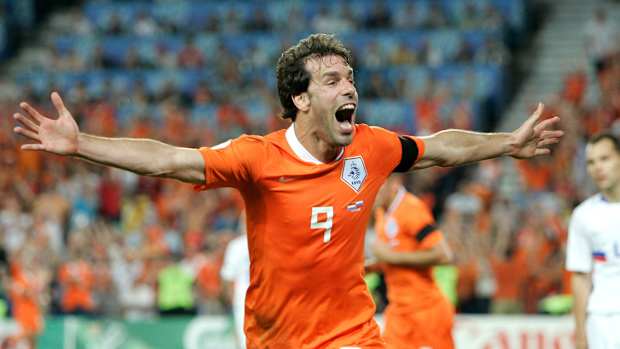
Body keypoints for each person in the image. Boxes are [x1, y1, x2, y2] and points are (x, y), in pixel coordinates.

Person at [13, 33, 562, 348]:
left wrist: (507, 143)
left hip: (353, 334)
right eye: (331, 80)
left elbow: (440, 147)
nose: (349, 86)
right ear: (299, 100)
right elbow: (170, 161)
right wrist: (82, 143)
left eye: (350, 77)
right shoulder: (258, 157)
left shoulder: (370, 147)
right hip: (274, 338)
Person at [368, 174, 454, 349]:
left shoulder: (411, 208)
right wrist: (365, 267)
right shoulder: (381, 213)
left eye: (374, 186)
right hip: (398, 312)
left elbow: (443, 254)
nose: (368, 193)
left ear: (393, 183)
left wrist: (390, 257)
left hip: (426, 311)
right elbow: (393, 257)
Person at [566, 133, 620, 349]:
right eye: (591, 162)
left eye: (605, 159)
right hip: (602, 319)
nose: (598, 168)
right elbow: (580, 277)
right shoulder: (583, 215)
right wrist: (580, 335)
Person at [220, 212, 250, 349]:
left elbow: (226, 278)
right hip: (245, 300)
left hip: (244, 301)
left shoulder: (236, 246)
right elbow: (227, 277)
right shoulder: (237, 245)